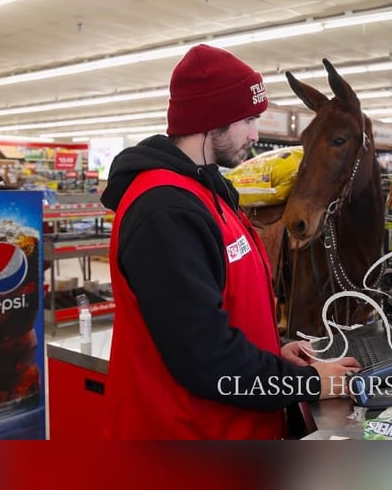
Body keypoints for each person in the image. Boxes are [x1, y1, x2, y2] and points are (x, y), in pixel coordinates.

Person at [100, 44, 360, 440]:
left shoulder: (210, 192)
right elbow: (206, 358)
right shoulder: (165, 212)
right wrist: (310, 381)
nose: (255, 135)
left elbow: (221, 313)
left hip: (232, 426)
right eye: (248, 120)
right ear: (212, 120)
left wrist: (275, 353)